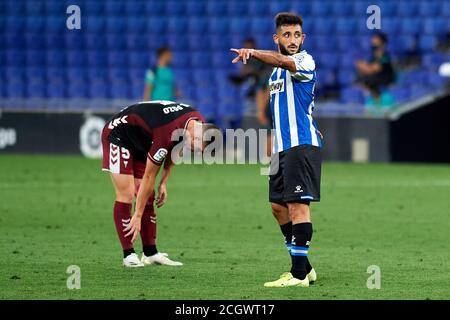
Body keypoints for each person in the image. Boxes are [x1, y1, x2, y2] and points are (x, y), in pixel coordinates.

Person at [231, 12, 322, 288]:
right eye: (287, 35)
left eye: (296, 35)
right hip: (281, 148)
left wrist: (253, 53)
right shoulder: (274, 75)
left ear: (302, 38)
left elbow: (283, 59)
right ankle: (305, 267)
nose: (292, 40)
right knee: (277, 207)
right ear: (277, 37)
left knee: (297, 207)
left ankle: (297, 277)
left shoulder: (304, 60)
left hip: (300, 145)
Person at [101, 100, 218, 267]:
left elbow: (176, 147)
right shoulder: (167, 131)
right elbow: (149, 177)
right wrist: (138, 215)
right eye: (198, 148)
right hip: (119, 134)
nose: (195, 151)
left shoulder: (196, 121)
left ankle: (150, 253)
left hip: (141, 138)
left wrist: (164, 180)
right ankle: (128, 255)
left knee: (148, 196)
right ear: (198, 135)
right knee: (126, 194)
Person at [355, 32, 396, 107]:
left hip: (383, 83)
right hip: (373, 85)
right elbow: (364, 67)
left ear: (383, 44)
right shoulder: (373, 58)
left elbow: (372, 69)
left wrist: (364, 66)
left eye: (377, 45)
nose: (374, 47)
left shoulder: (385, 57)